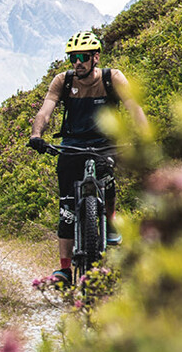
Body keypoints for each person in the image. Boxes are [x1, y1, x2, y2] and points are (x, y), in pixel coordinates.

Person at [28, 31, 149, 286]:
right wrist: (36, 134)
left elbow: (134, 107)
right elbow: (45, 110)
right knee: (67, 209)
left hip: (107, 143)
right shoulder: (63, 81)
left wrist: (144, 136)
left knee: (108, 182)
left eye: (82, 57)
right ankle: (64, 270)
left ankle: (110, 220)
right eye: (73, 58)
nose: (77, 63)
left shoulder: (111, 78)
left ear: (95, 57)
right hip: (72, 145)